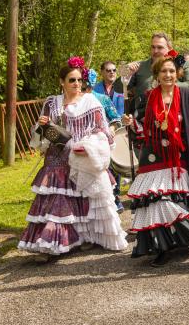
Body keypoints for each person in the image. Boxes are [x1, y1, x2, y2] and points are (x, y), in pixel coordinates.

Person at [19, 57, 128, 262]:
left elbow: (103, 130)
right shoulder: (52, 103)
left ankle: (85, 236)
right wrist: (42, 124)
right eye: (71, 80)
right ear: (62, 82)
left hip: (81, 156)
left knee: (83, 198)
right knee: (56, 201)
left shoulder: (90, 102)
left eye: (79, 80)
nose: (76, 84)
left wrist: (89, 146)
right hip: (56, 159)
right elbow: (38, 134)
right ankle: (48, 245)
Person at [121, 51, 189, 266]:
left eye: (172, 71)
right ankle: (161, 247)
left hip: (178, 158)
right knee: (157, 201)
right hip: (153, 157)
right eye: (164, 71)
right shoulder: (148, 97)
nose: (168, 75)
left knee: (175, 201)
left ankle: (187, 235)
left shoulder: (186, 95)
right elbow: (141, 127)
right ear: (157, 74)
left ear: (177, 73)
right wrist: (130, 122)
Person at [83, 68, 124, 212]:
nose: (84, 89)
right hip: (79, 146)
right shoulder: (71, 100)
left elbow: (116, 118)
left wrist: (111, 130)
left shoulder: (102, 98)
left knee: (108, 172)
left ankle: (115, 197)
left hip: (101, 142)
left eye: (86, 86)